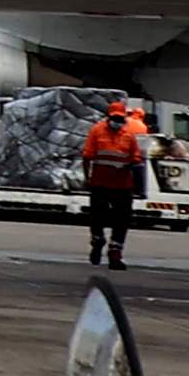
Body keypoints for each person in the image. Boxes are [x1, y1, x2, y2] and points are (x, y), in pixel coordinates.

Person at [77, 95, 152, 270]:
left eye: (120, 119)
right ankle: (97, 241)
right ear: (108, 117)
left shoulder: (129, 136)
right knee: (97, 218)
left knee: (122, 221)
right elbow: (87, 156)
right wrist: (87, 179)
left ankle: (115, 253)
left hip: (122, 186)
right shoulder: (96, 131)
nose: (117, 122)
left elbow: (136, 160)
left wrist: (139, 186)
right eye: (115, 119)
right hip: (100, 183)